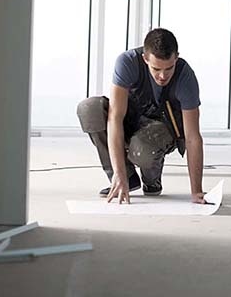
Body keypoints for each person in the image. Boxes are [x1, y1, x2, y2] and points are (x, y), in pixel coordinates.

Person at [77, 28, 205, 204]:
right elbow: (115, 118)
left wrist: (196, 191)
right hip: (132, 120)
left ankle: (152, 180)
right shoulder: (127, 62)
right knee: (89, 109)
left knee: (143, 147)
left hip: (161, 130)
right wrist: (119, 172)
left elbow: (193, 138)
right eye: (156, 68)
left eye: (169, 68)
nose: (162, 76)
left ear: (176, 57)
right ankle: (126, 179)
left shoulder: (186, 77)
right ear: (145, 59)